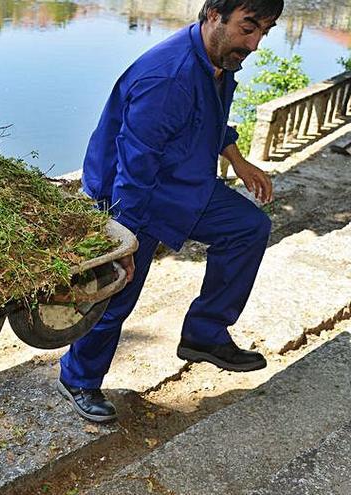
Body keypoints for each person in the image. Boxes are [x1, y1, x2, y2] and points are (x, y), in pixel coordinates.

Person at [57, 0, 282, 423]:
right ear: (213, 15)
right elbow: (133, 168)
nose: (253, 44)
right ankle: (78, 379)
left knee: (248, 228)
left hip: (182, 182)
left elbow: (212, 120)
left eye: (264, 32)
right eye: (248, 28)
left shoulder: (221, 57)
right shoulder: (167, 77)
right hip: (128, 196)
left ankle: (204, 334)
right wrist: (123, 239)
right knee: (116, 293)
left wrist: (237, 159)